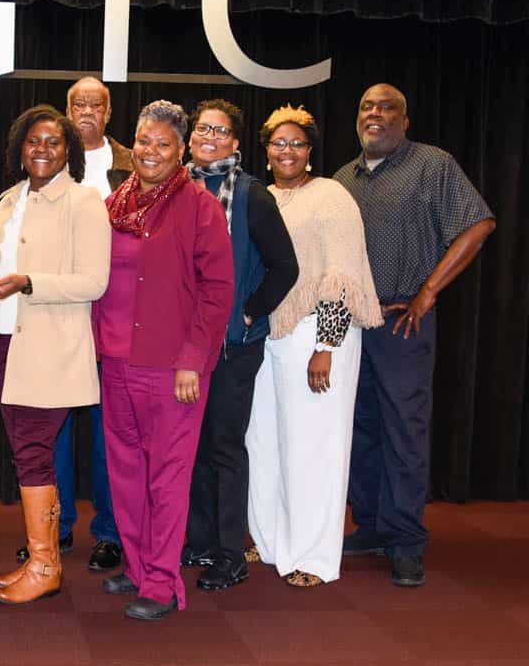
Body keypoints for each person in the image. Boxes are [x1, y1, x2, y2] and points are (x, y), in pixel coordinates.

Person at [334, 83, 495, 587]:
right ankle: (371, 525)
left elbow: (480, 223)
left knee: (405, 431)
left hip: (404, 323)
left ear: (406, 121)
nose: (375, 114)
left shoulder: (432, 164)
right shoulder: (343, 178)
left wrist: (429, 290)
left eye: (387, 108)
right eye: (367, 107)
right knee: (360, 429)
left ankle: (405, 540)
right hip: (353, 324)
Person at [95, 100, 233, 621]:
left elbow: (218, 290)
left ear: (180, 152)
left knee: (167, 477)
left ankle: (161, 581)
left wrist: (192, 361)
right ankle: (136, 564)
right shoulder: (115, 204)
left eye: (164, 144)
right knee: (125, 471)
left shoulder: (199, 206)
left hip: (171, 367)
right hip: (115, 358)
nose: (151, 152)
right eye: (144, 142)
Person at [244, 105, 383, 588]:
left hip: (316, 334)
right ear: (265, 153)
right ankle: (271, 540)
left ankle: (316, 557)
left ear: (309, 151)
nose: (287, 151)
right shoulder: (257, 196)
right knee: (263, 443)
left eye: (297, 143)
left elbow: (341, 274)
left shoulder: (330, 196)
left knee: (314, 448)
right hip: (267, 333)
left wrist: (326, 343)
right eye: (278, 143)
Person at [0, 104, 110, 604]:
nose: (42, 149)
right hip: (7, 342)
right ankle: (41, 560)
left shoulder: (84, 201)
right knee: (26, 454)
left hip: (52, 347)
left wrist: (29, 282)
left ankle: (46, 565)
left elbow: (93, 281)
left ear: (70, 151)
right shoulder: (9, 199)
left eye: (54, 142)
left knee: (33, 452)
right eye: (34, 140)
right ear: (19, 147)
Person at [182, 99, 298, 592]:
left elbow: (285, 267)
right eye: (203, 128)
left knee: (226, 447)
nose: (210, 136)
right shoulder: (172, 188)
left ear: (234, 142)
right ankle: (201, 542)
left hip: (233, 346)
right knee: (193, 449)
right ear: (189, 137)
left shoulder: (252, 195)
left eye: (221, 131)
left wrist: (250, 311)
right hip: (181, 346)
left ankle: (233, 555)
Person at [21, 76, 132, 571]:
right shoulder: (40, 174)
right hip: (53, 316)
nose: (86, 111)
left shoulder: (136, 164)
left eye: (96, 104)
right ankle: (53, 528)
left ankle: (110, 532)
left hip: (114, 318)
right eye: (77, 103)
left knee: (111, 434)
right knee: (52, 431)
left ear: (109, 112)